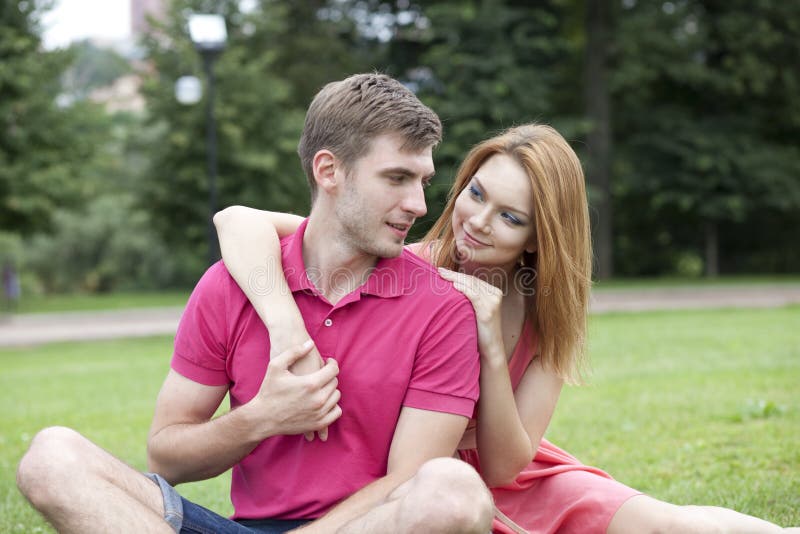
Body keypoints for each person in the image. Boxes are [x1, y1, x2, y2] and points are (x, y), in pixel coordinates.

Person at [214, 123, 799, 533]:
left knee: (667, 525)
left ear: (541, 236)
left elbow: (505, 465)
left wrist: (492, 344)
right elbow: (236, 220)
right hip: (420, 480)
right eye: (475, 194)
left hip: (516, 474)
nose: (479, 223)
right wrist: (287, 327)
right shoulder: (403, 257)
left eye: (511, 217)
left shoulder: (544, 309)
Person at [15, 73, 494, 534]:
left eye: (423, 181)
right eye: (396, 178)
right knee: (52, 456)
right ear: (329, 171)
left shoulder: (441, 307)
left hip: (369, 527)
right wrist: (262, 417)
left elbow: (407, 482)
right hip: (242, 528)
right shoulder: (231, 283)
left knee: (453, 491)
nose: (419, 204)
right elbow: (166, 457)